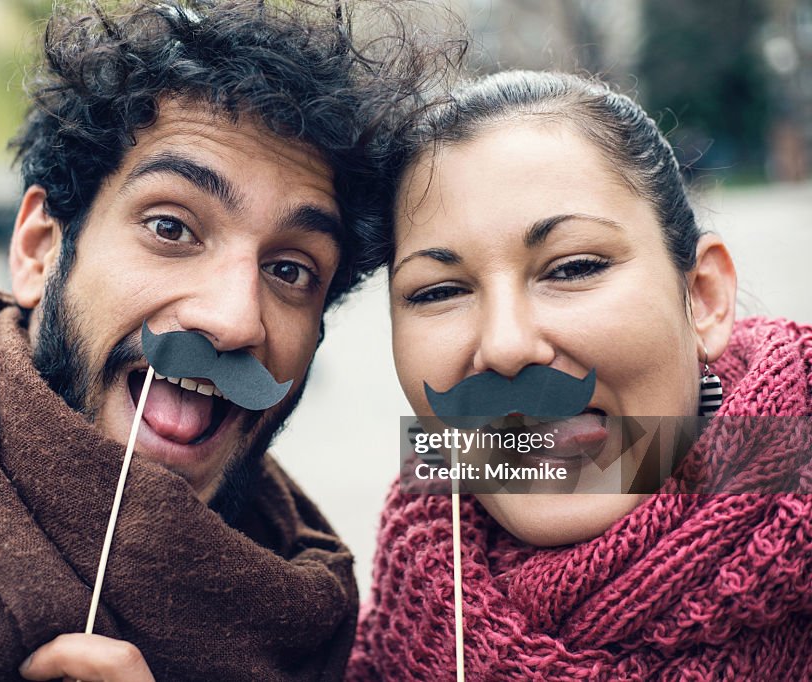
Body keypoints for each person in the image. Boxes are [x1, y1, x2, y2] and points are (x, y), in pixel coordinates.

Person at [0, 1, 429, 679]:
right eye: (172, 228)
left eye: (290, 270)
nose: (236, 320)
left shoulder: (337, 631)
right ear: (38, 250)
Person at [348, 71, 812, 679]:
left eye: (572, 268)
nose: (507, 347)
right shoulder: (386, 639)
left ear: (703, 298)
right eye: (438, 291)